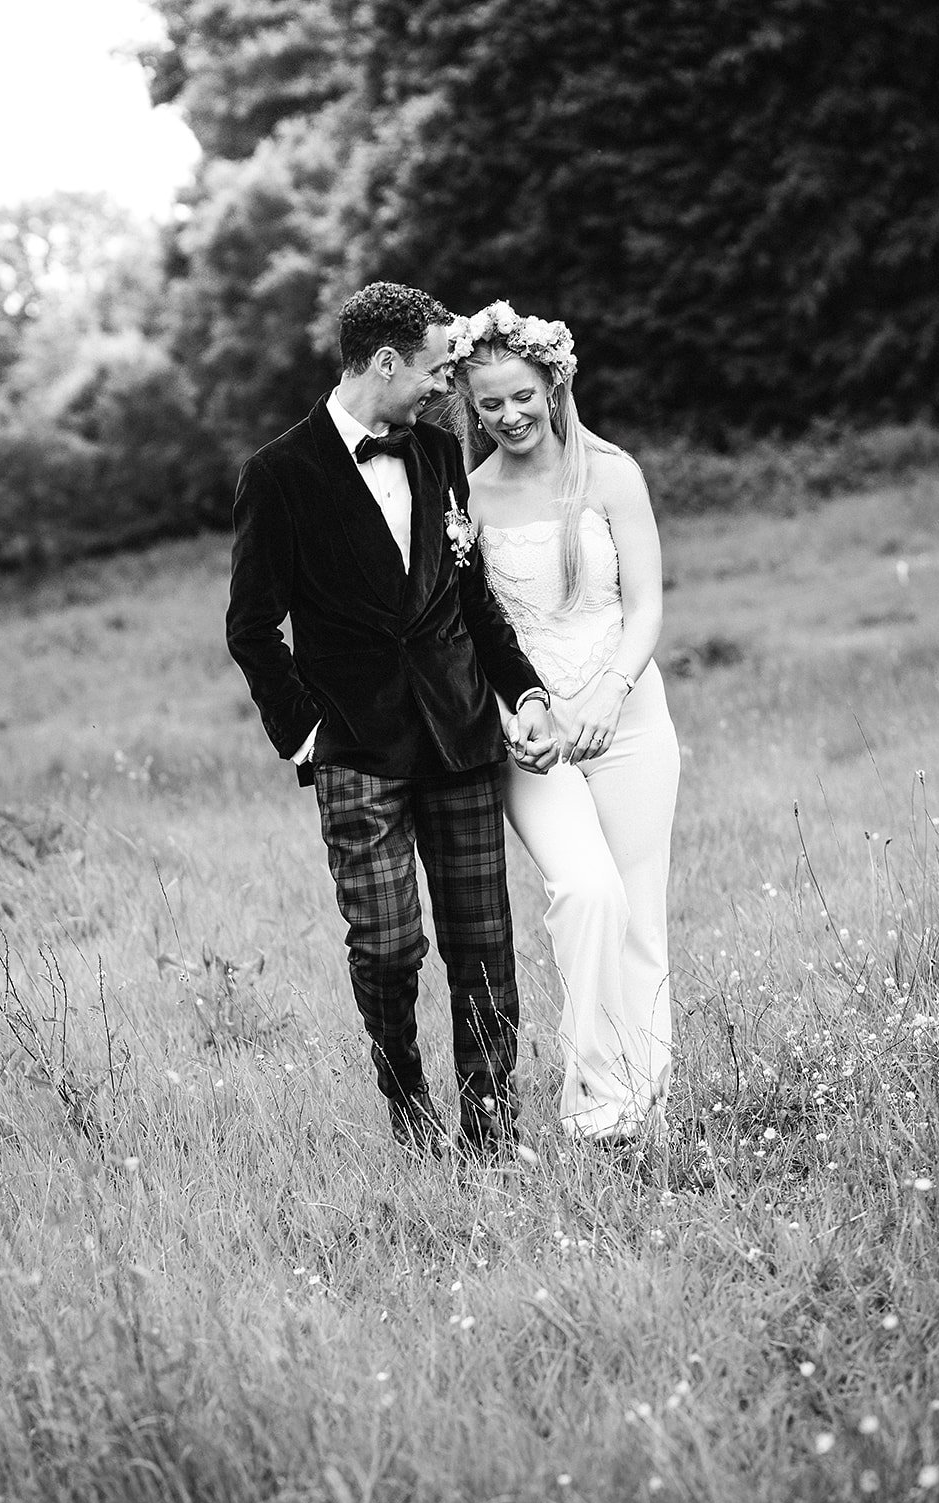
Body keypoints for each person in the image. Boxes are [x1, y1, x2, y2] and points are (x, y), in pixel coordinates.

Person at [226, 282, 558, 1158]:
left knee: (483, 944)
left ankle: (490, 1134)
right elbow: (251, 628)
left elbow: (471, 593)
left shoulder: (439, 450)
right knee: (386, 946)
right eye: (437, 369)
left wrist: (521, 691)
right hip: (356, 750)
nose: (447, 388)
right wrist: (307, 737)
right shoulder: (278, 473)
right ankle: (406, 1097)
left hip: (458, 735)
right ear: (384, 363)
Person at [447, 301, 680, 1145]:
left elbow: (646, 605)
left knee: (638, 915)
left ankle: (642, 1098)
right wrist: (526, 714)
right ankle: (592, 1099)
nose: (508, 417)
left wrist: (607, 695)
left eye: (520, 397)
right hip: (533, 739)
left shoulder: (612, 474)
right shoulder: (465, 500)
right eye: (487, 406)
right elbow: (477, 629)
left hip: (629, 719)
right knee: (584, 892)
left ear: (552, 383)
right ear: (468, 411)